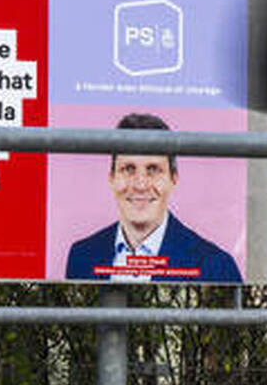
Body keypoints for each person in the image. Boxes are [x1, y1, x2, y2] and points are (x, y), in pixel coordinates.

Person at [65, 113, 239, 281]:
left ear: (173, 179)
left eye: (153, 170)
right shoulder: (81, 256)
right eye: (128, 169)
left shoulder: (216, 266)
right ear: (112, 178)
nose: (140, 185)